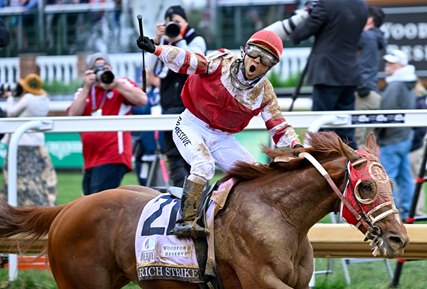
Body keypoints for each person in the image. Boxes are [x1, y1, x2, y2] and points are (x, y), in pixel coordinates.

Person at [137, 29, 303, 237]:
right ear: (245, 50)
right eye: (254, 53)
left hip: (221, 137)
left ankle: (242, 220)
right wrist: (157, 49)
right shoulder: (221, 62)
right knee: (204, 164)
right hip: (191, 124)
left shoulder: (265, 93)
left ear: (271, 66)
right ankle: (186, 220)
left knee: (254, 173)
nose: (256, 62)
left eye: (266, 59)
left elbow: (278, 124)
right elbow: (190, 61)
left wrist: (297, 145)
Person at [290, 0, 368, 150]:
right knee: (346, 127)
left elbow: (300, 34)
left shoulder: (326, 4)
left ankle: (323, 166)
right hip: (350, 72)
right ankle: (352, 167)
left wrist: (304, 16)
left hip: (327, 73)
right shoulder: (361, 5)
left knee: (321, 126)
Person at [67, 52, 147, 195]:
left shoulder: (120, 84)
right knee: (89, 200)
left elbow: (142, 100)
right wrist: (86, 87)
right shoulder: (84, 91)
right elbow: (73, 114)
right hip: (91, 158)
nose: (101, 72)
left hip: (114, 155)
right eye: (97, 69)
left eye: (105, 67)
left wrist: (115, 84)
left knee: (97, 204)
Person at [149, 5, 207, 188]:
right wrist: (156, 41)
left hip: (190, 107)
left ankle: (197, 193)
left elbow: (193, 62)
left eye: (177, 23)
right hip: (168, 105)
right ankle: (179, 194)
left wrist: (178, 39)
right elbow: (149, 68)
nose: (173, 27)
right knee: (173, 155)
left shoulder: (196, 39)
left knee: (192, 153)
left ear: (186, 22)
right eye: (169, 24)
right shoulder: (163, 43)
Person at [2, 73, 57, 206]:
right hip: (38, 144)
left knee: (19, 181)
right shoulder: (44, 98)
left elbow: (11, 113)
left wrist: (10, 98)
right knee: (40, 180)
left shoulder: (27, 98)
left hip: (20, 143)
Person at [375, 49, 417, 220]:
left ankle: (393, 215)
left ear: (401, 65)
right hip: (404, 137)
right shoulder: (409, 83)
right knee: (405, 177)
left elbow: (385, 115)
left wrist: (378, 138)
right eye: (387, 63)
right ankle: (408, 212)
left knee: (387, 179)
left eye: (391, 63)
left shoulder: (395, 85)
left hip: (391, 139)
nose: (387, 66)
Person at [355, 5, 387, 148]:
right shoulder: (376, 37)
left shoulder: (366, 36)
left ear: (370, 19)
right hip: (372, 93)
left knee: (358, 143)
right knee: (368, 144)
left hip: (363, 95)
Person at [410, 80, 427, 216]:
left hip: (414, 148)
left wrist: (410, 140)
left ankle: (419, 211)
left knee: (415, 180)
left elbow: (423, 128)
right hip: (413, 146)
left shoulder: (419, 101)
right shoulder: (419, 100)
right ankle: (416, 210)